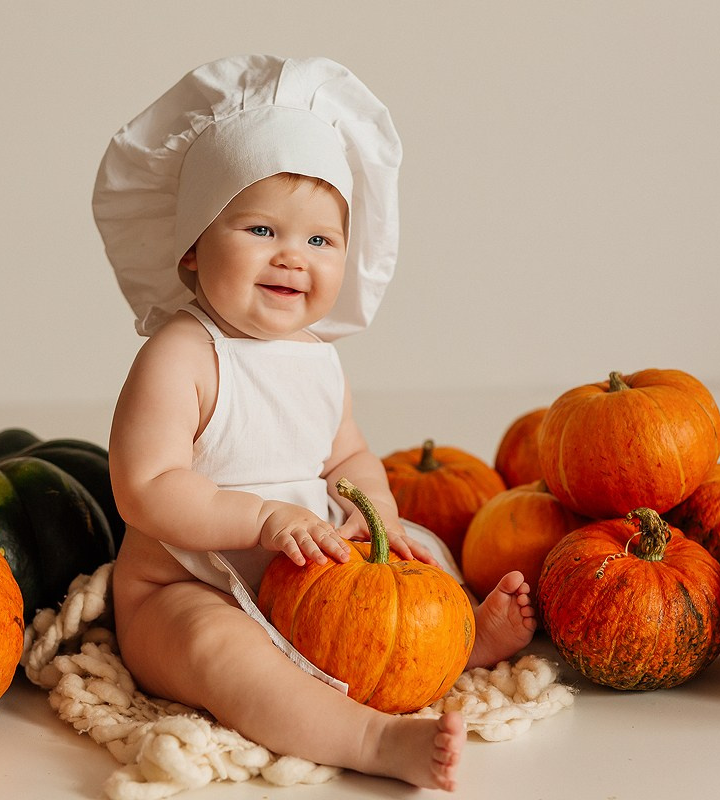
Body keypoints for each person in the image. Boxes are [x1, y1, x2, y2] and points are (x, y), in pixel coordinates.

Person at [94, 55, 534, 792]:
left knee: (415, 557)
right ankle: (372, 738)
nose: (292, 257)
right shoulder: (183, 353)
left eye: (321, 241)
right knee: (219, 650)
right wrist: (262, 519)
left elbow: (347, 456)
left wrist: (375, 509)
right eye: (262, 228)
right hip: (186, 586)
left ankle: (457, 648)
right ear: (192, 248)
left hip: (307, 580)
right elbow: (147, 487)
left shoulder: (318, 358)